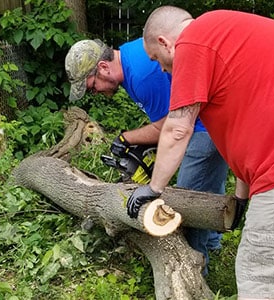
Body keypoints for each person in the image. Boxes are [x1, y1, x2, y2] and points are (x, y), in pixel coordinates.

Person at [126, 5, 274, 300]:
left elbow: (178, 127)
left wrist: (153, 189)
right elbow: (249, 132)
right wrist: (241, 197)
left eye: (157, 59)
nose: (162, 69)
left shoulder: (193, 42)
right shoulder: (227, 34)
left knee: (261, 276)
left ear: (165, 42)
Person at [65, 37, 228, 275]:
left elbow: (172, 125)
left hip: (204, 128)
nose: (95, 92)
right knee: (207, 184)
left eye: (92, 86)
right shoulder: (131, 57)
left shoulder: (142, 76)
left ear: (103, 67)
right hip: (211, 121)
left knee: (187, 201)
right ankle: (213, 244)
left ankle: (193, 274)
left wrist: (127, 138)